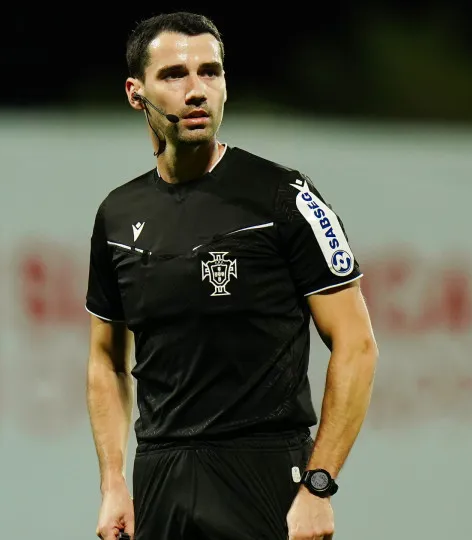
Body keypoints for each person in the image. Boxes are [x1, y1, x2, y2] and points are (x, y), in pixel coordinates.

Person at [85, 12, 378, 540]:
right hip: (161, 478)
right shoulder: (117, 216)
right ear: (136, 93)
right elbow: (106, 361)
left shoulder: (283, 198)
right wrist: (113, 483)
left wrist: (319, 486)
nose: (197, 89)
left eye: (210, 72)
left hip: (264, 474)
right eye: (174, 75)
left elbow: (357, 345)